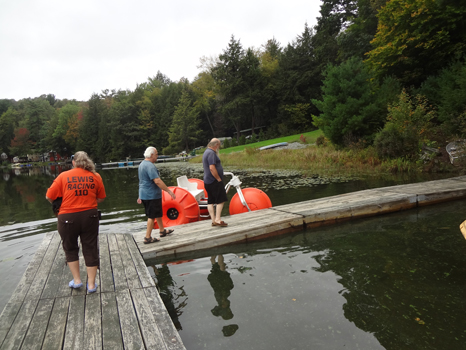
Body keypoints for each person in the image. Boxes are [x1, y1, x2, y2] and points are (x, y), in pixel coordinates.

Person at [46, 151, 106, 293]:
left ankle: (77, 281)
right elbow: (101, 198)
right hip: (90, 217)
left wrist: (60, 204)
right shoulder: (95, 176)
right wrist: (89, 201)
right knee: (91, 248)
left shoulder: (63, 176)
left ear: (73, 162)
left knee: (70, 248)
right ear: (87, 161)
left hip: (67, 217)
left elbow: (49, 196)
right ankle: (91, 285)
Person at [138, 146, 176, 244]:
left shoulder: (142, 164)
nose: (157, 156)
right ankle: (147, 237)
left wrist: (139, 195)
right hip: (151, 195)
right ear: (151, 155)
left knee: (157, 213)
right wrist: (169, 191)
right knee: (152, 216)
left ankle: (162, 231)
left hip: (145, 194)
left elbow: (142, 181)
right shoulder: (149, 166)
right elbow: (157, 181)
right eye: (156, 154)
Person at [203, 138, 228, 227]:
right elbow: (212, 168)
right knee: (221, 199)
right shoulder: (211, 153)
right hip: (214, 180)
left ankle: (213, 220)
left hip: (207, 181)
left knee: (211, 200)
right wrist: (218, 179)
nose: (219, 147)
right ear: (216, 145)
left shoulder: (206, 152)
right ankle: (217, 219)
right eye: (219, 145)